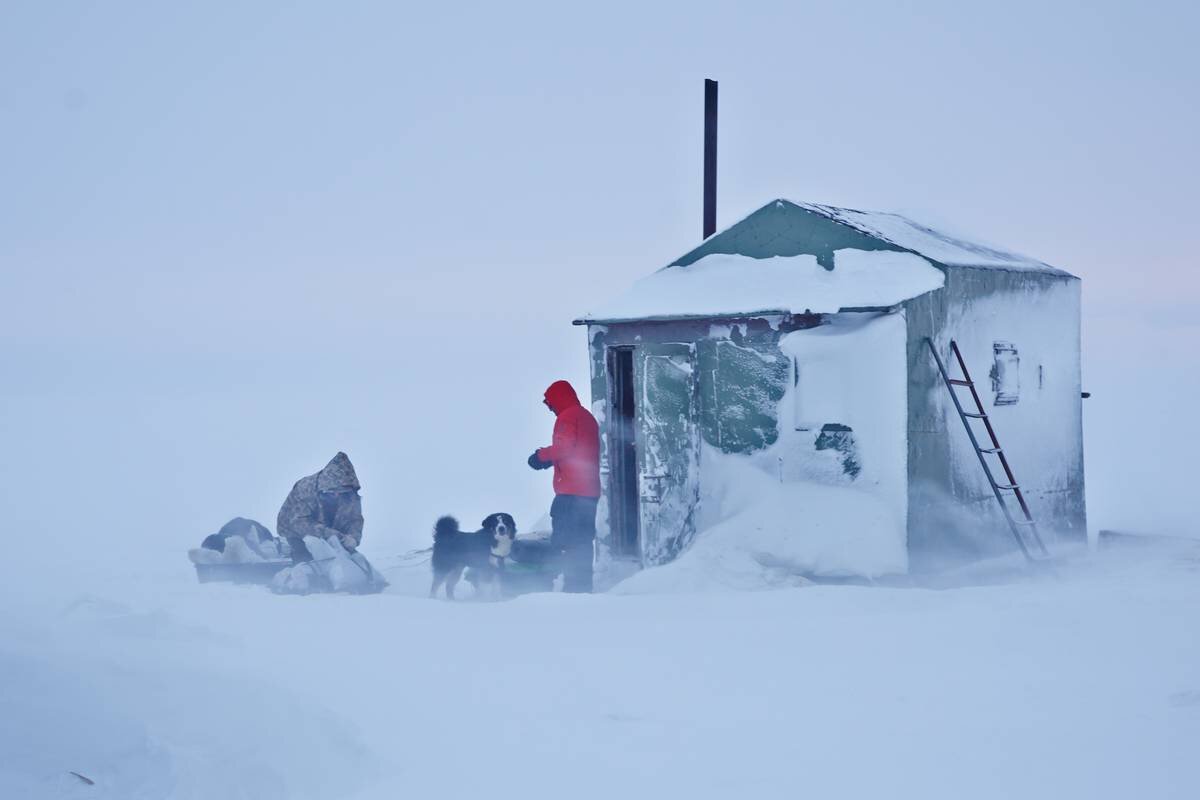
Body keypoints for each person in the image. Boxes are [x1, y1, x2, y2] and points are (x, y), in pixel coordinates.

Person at [528, 380, 601, 593]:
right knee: (582, 542)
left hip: (571, 494)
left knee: (564, 543)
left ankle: (570, 590)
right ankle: (582, 586)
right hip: (588, 493)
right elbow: (578, 449)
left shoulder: (567, 416)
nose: (550, 408)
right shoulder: (586, 416)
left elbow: (565, 447)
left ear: (558, 399)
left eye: (550, 403)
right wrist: (551, 459)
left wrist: (541, 456)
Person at [277, 452, 364, 563]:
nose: (337, 495)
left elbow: (355, 520)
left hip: (333, 536)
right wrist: (332, 535)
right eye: (333, 492)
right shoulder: (305, 488)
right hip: (295, 532)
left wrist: (353, 538)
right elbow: (298, 523)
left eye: (341, 492)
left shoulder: (350, 494)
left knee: (353, 561)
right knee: (309, 562)